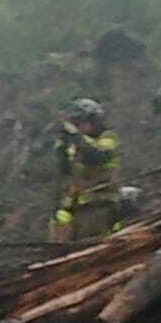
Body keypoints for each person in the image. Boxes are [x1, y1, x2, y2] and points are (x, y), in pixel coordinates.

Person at [50, 97, 121, 243]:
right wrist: (62, 147)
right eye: (76, 123)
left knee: (90, 242)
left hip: (100, 201)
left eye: (81, 122)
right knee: (62, 238)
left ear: (94, 120)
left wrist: (75, 136)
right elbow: (66, 172)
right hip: (76, 203)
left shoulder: (108, 138)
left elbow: (97, 156)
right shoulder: (78, 145)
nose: (79, 126)